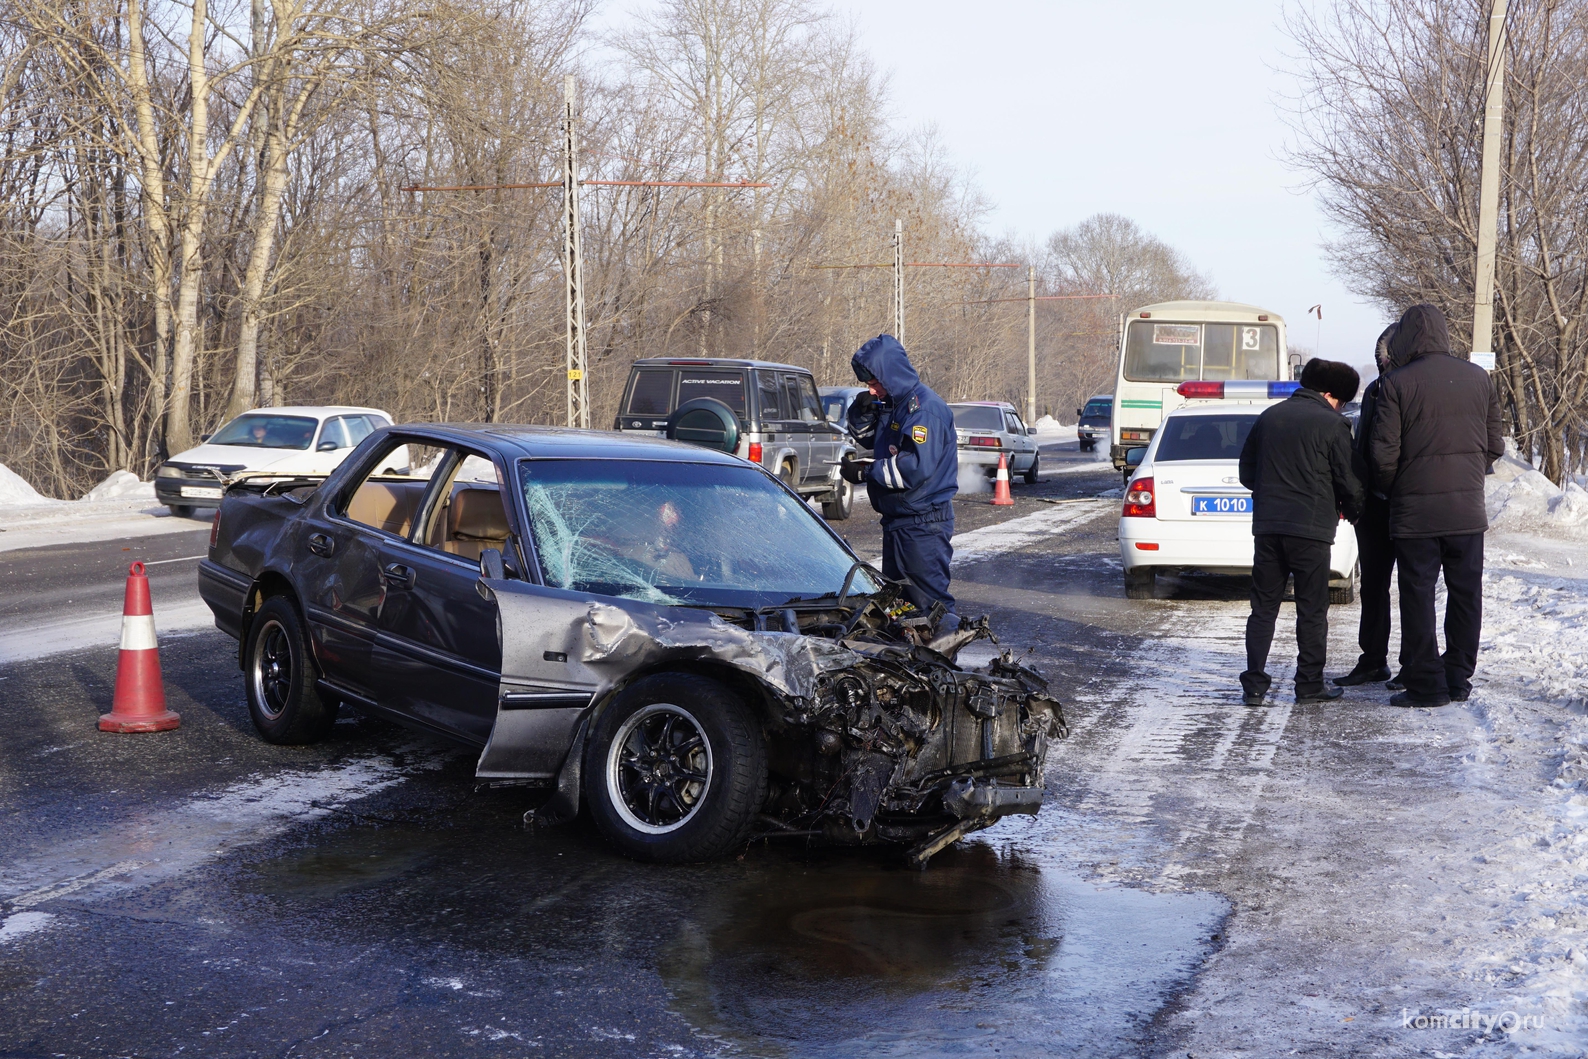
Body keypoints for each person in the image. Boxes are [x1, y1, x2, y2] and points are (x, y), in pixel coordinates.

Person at [1366, 304, 1504, 708]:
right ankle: (1458, 678)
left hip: (1415, 515)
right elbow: (1495, 444)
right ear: (1445, 334)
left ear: (1406, 338)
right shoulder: (1479, 379)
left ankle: (1426, 685)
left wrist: (1398, 488)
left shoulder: (1396, 383)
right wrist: (1468, 475)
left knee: (1418, 595)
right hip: (1467, 511)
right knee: (1465, 595)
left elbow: (1382, 454)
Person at [1237, 359, 1364, 706]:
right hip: (1311, 531)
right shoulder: (1334, 425)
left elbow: (1246, 472)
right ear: (1328, 394)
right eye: (1340, 400)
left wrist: (1271, 492)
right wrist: (1354, 511)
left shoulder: (1269, 417)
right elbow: (1349, 481)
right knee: (1311, 609)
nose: (1340, 406)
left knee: (1263, 607)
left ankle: (1254, 684)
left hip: (1267, 528)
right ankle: (1309, 684)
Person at [840, 334, 959, 628]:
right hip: (899, 521)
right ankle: (909, 669)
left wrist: (867, 471)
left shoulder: (925, 410)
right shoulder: (896, 404)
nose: (871, 388)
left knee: (928, 608)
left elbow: (914, 468)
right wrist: (861, 410)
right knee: (899, 609)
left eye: (875, 382)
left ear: (891, 374)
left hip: (922, 525)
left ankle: (943, 669)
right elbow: (873, 439)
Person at [1333, 324, 1400, 688]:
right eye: (1380, 357)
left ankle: (1412, 662)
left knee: (1411, 587)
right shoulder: (1376, 391)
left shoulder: (1396, 389)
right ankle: (1374, 659)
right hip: (1377, 506)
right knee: (1375, 586)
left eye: (1385, 356)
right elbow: (1366, 450)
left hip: (1401, 504)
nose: (1382, 362)